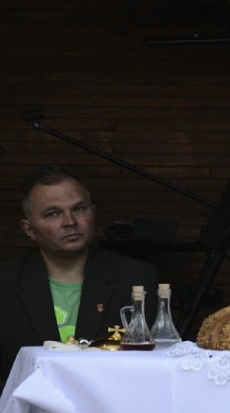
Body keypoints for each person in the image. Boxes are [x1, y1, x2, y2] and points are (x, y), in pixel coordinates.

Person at [0, 165, 158, 393]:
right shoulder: (5, 283)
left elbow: (154, 368)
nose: (70, 221)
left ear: (93, 213)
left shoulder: (137, 279)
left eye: (79, 209)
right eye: (53, 214)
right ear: (29, 229)